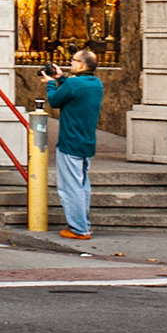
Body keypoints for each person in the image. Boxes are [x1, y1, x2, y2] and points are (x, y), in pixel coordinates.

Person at [45, 49, 104, 241]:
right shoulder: (96, 84)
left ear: (81, 65)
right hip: (87, 142)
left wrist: (50, 84)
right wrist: (61, 79)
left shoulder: (73, 83)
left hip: (70, 141)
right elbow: (72, 93)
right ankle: (83, 224)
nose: (71, 63)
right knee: (83, 185)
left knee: (70, 187)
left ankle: (79, 229)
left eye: (73, 60)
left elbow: (55, 101)